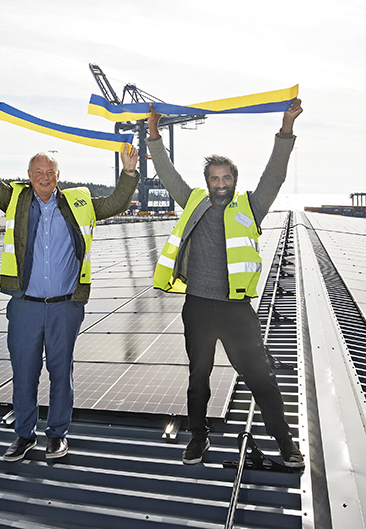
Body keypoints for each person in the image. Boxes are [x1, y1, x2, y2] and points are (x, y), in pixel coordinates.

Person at [0, 110, 139, 462]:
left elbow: (116, 203)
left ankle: (58, 434)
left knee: (61, 372)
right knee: (24, 372)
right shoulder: (16, 200)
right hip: (25, 306)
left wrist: (128, 172)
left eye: (51, 173)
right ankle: (23, 435)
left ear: (58, 176)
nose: (45, 178)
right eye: (38, 172)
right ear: (29, 176)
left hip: (65, 306)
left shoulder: (78, 204)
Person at [148, 99, 306, 468]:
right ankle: (198, 439)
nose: (220, 184)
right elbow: (168, 173)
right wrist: (154, 135)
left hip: (236, 310)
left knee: (261, 378)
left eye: (226, 178)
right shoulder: (192, 202)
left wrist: (286, 129)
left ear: (235, 181)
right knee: (198, 377)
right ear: (207, 183)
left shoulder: (251, 206)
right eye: (214, 179)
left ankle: (285, 443)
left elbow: (275, 175)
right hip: (199, 307)